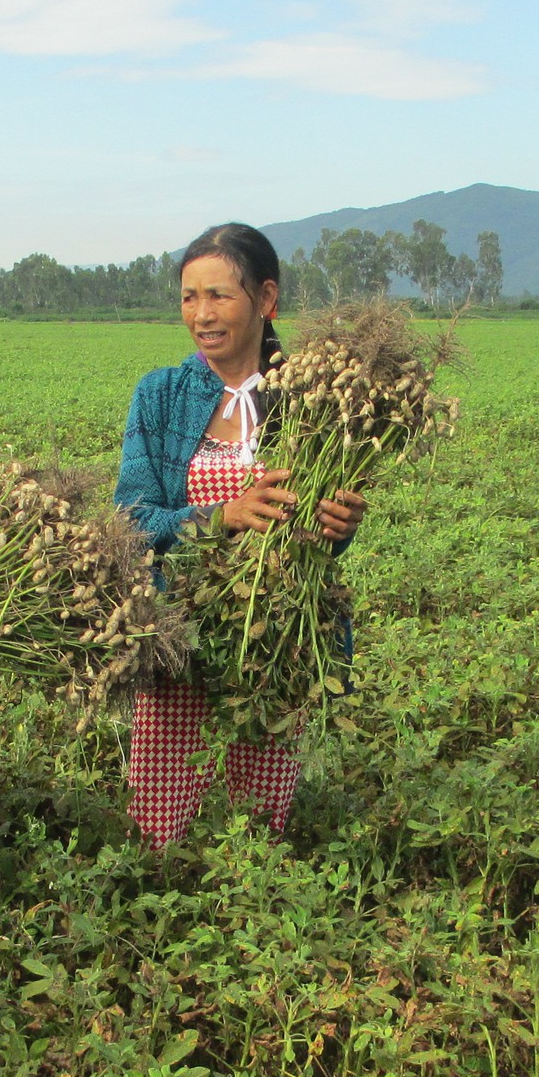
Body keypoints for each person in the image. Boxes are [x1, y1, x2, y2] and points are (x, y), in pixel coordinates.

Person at [114, 224, 365, 849]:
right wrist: (217, 517)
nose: (201, 315)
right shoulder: (161, 396)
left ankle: (251, 922)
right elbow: (131, 518)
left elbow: (318, 539)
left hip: (275, 638)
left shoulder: (315, 401)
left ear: (266, 300)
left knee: (260, 817)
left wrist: (339, 528)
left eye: (220, 296)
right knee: (160, 812)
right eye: (189, 297)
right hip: (180, 631)